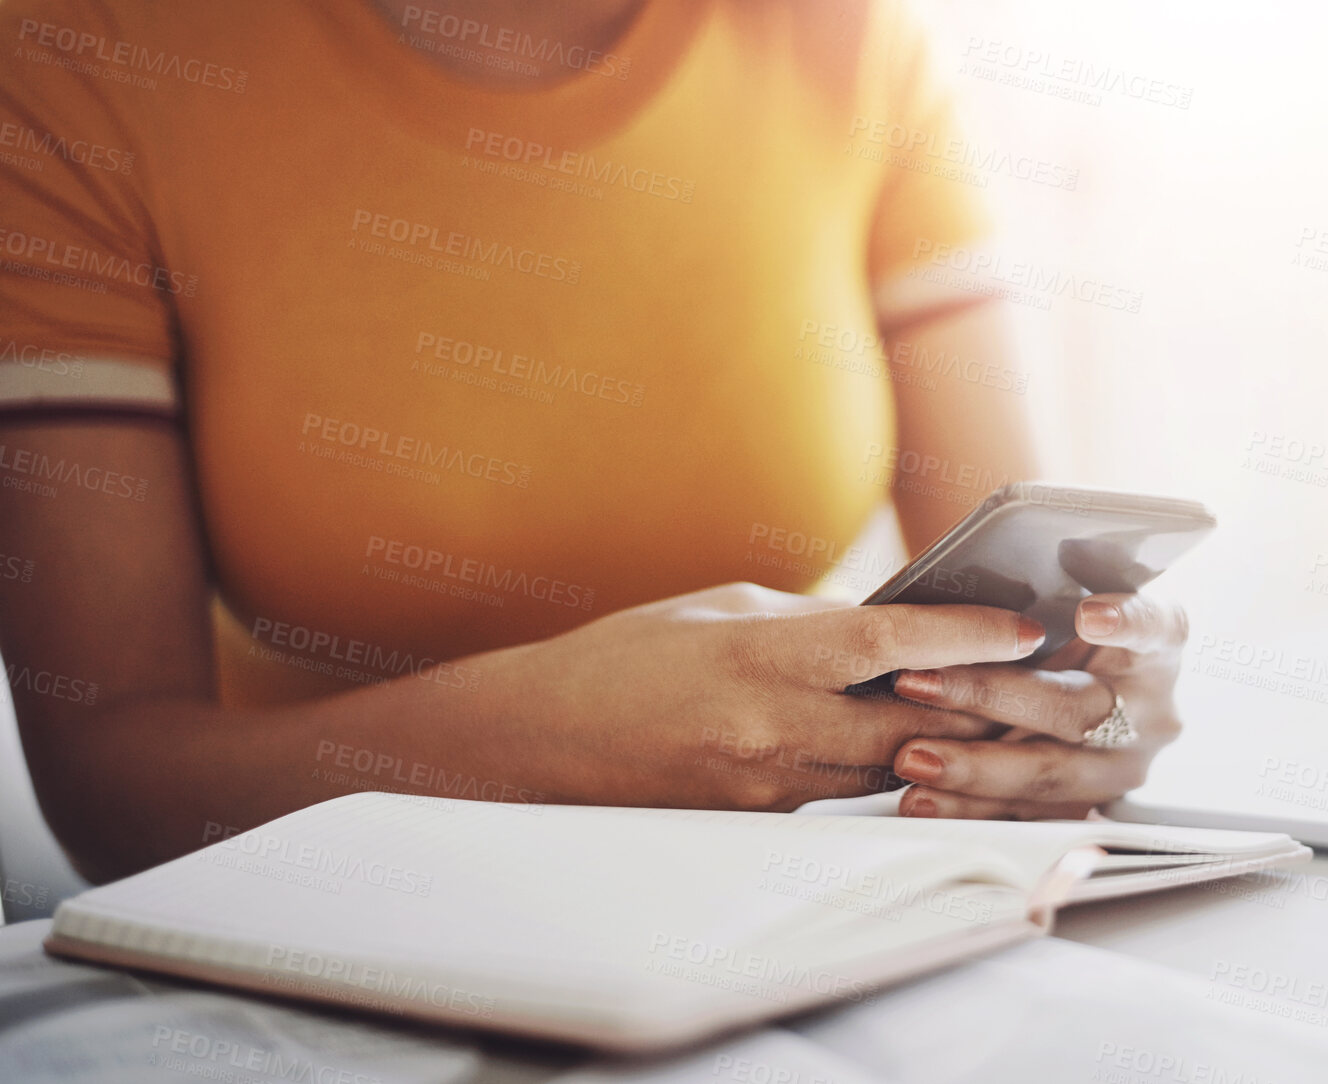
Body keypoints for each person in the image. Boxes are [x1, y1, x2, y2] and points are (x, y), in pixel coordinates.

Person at [0, 0, 1190, 884]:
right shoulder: (83, 48)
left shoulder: (851, 34)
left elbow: (1022, 589)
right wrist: (547, 738)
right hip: (335, 935)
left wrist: (1083, 715)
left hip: (788, 912)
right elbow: (114, 795)